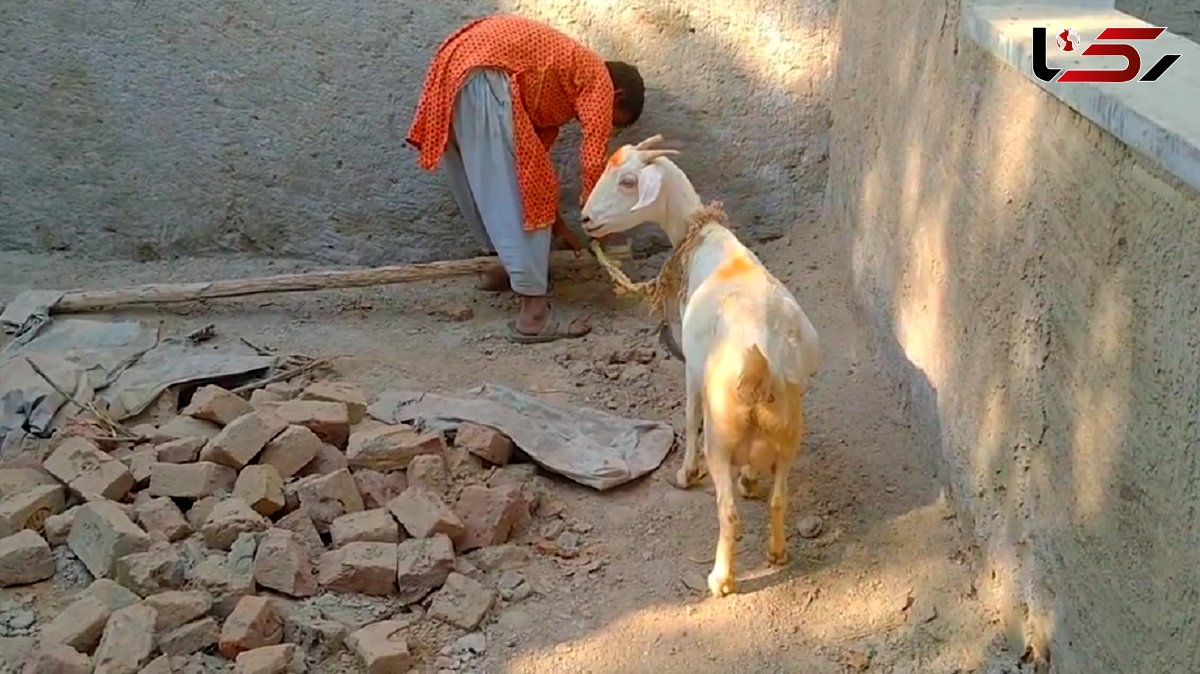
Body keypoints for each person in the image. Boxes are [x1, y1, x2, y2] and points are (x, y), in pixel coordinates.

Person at [406, 14, 645, 343]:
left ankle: (503, 270)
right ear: (616, 95)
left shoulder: (554, 92)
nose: (608, 124)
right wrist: (598, 223)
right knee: (516, 193)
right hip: (483, 74)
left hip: (460, 70)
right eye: (616, 121)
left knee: (510, 186)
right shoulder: (598, 79)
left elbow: (533, 177)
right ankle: (533, 315)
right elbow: (593, 158)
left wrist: (560, 228)